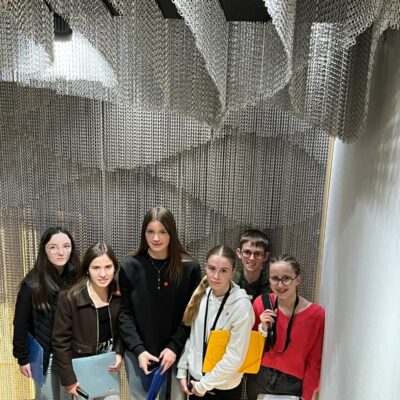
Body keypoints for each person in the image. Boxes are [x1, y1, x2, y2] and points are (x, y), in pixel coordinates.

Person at [119, 206, 202, 400]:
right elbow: (124, 313)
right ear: (144, 233)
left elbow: (192, 315)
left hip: (176, 354)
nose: (156, 238)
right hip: (139, 356)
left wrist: (174, 347)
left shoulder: (189, 268)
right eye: (150, 232)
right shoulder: (129, 266)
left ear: (171, 233)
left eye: (162, 232)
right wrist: (139, 350)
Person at [177, 245, 255, 399]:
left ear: (233, 272)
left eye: (223, 270)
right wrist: (182, 370)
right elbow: (193, 338)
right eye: (212, 268)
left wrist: (204, 385)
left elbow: (235, 356)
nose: (216, 276)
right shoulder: (201, 295)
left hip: (222, 388)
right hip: (196, 383)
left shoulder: (241, 306)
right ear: (205, 268)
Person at [13, 226, 79, 400]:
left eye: (66, 246)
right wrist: (22, 358)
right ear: (44, 250)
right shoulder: (32, 284)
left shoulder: (78, 278)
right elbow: (20, 324)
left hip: (70, 355)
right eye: (53, 247)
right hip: (45, 358)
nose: (61, 252)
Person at [247, 255, 325, 400]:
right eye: (274, 279)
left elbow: (315, 360)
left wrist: (307, 396)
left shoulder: (316, 315)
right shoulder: (261, 303)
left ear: (297, 280)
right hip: (259, 377)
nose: (280, 285)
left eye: (286, 278)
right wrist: (262, 330)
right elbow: (249, 349)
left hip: (291, 384)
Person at [52, 243, 123, 399]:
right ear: (87, 270)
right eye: (96, 268)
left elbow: (123, 329)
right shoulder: (69, 298)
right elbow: (60, 342)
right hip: (80, 369)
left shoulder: (120, 294)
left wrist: (119, 353)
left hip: (107, 368)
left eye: (108, 267)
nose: (103, 274)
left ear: (115, 268)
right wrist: (69, 380)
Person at [234, 229, 270, 302]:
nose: (252, 258)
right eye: (247, 252)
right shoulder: (231, 281)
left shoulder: (271, 283)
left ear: (265, 256)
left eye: (257, 254)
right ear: (239, 253)